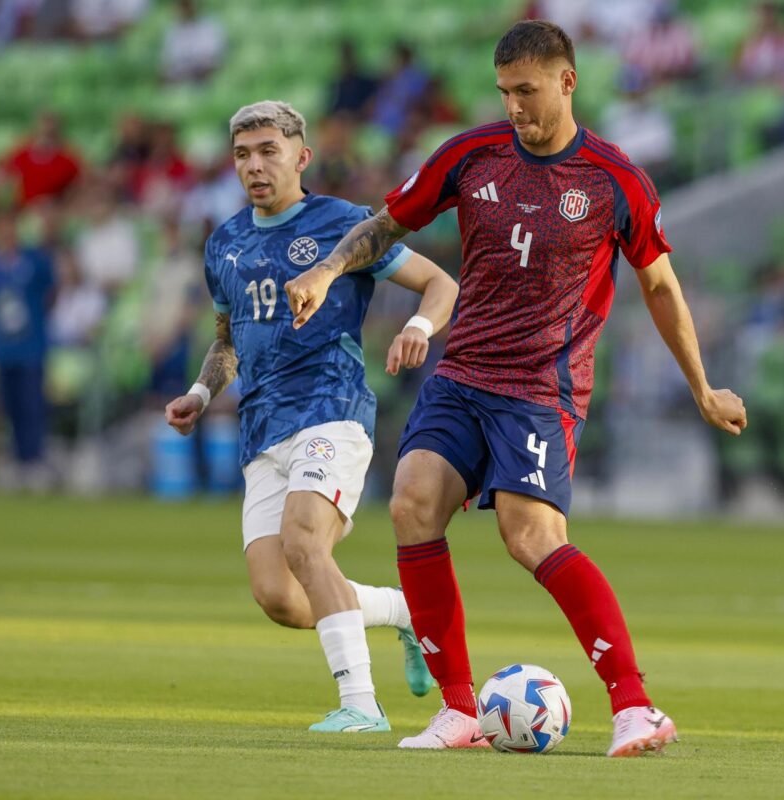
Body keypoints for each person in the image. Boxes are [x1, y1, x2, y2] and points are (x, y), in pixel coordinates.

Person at [284, 21, 747, 757]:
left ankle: (636, 707)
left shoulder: (612, 178)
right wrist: (327, 269)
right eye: (505, 92)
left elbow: (659, 284)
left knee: (529, 537)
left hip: (541, 387)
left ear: (567, 82)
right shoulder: (472, 155)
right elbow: (385, 224)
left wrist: (702, 386)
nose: (515, 108)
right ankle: (460, 710)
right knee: (410, 503)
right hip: (463, 372)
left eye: (527, 91)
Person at [164, 101, 459, 732]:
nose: (255, 166)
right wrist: (200, 391)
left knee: (304, 541)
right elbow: (228, 338)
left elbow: (441, 284)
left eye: (269, 151)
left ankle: (361, 707)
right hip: (261, 427)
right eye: (243, 154)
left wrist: (416, 326)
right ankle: (403, 611)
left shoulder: (346, 225)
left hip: (332, 409)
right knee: (280, 597)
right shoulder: (225, 243)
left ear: (302, 157)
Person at [0, 206, 55, 487]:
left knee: (31, 405)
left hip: (31, 347)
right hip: (3, 348)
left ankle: (33, 462)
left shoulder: (33, 260)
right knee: (5, 406)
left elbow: (50, 293)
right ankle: (12, 461)